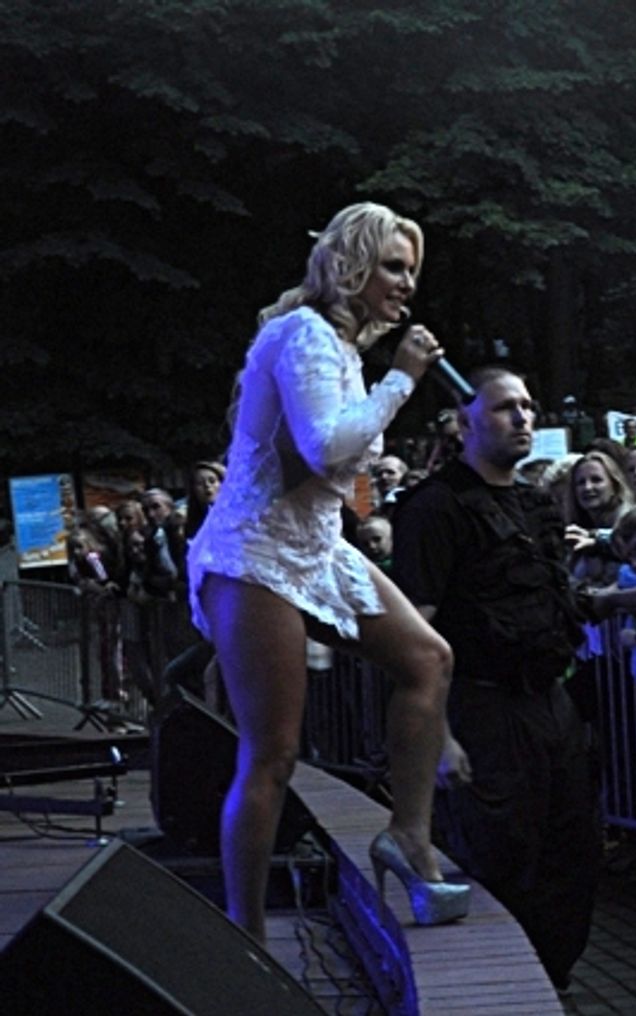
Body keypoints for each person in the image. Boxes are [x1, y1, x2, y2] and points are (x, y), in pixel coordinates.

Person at [185, 202, 465, 943]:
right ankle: (245, 936)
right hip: (254, 555)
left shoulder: (338, 349)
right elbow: (327, 449)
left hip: (316, 548)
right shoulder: (302, 333)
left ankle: (408, 837)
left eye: (413, 271)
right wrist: (402, 379)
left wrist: (387, 381)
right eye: (395, 267)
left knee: (428, 659)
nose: (407, 284)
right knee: (273, 754)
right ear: (352, 266)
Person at [390, 365, 601, 990]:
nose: (523, 417)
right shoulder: (434, 509)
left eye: (528, 406)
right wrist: (440, 736)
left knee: (573, 850)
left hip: (551, 703)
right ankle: (506, 989)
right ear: (464, 423)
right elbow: (414, 635)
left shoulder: (536, 503)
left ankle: (552, 982)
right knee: (501, 856)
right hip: (482, 709)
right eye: (507, 406)